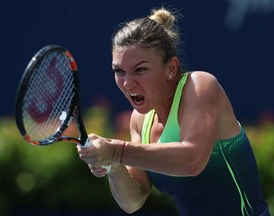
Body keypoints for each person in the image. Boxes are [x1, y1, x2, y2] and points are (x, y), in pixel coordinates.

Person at [77, 7, 270, 216]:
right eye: (119, 71)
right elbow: (133, 201)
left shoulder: (200, 86)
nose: (127, 83)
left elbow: (192, 161)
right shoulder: (139, 120)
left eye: (140, 70)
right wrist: (113, 165)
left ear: (171, 68)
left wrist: (116, 151)